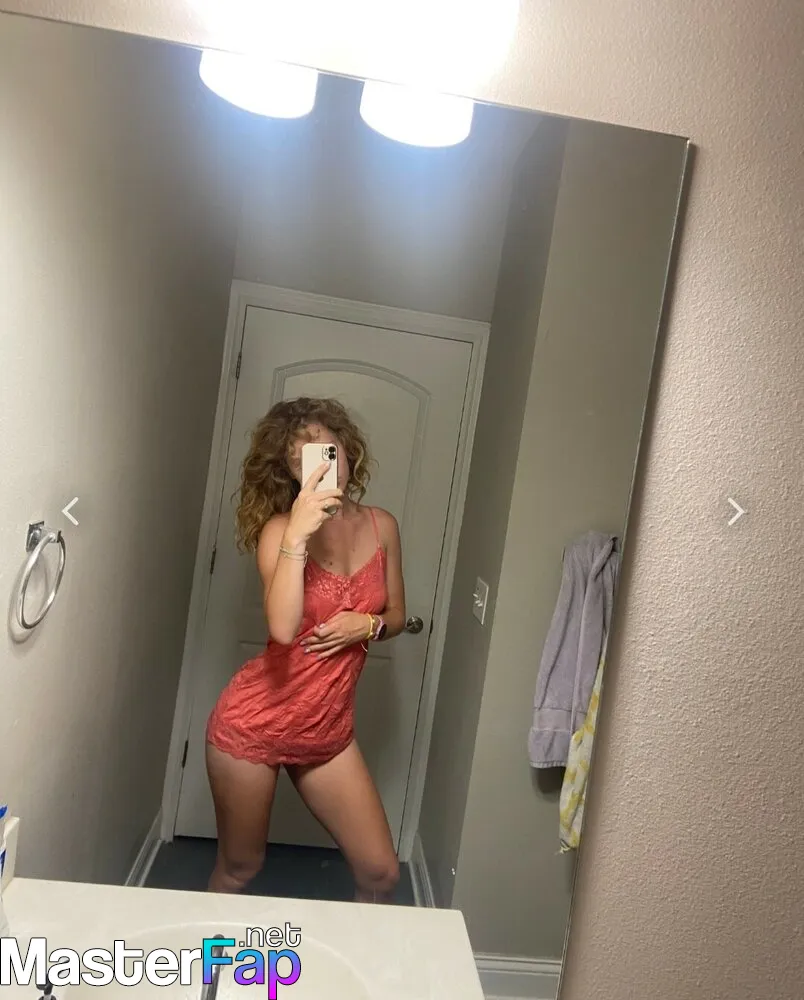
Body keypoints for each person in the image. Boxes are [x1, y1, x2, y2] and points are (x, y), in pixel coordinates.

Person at [205, 397, 406, 901]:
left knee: (380, 873)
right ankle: (205, 955)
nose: (318, 465)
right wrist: (297, 533)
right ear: (290, 472)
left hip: (327, 729)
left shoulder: (382, 526)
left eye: (327, 449)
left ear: (347, 450)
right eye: (302, 460)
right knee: (240, 869)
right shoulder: (280, 531)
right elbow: (282, 628)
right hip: (255, 722)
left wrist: (368, 625)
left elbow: (397, 616)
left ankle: (353, 957)